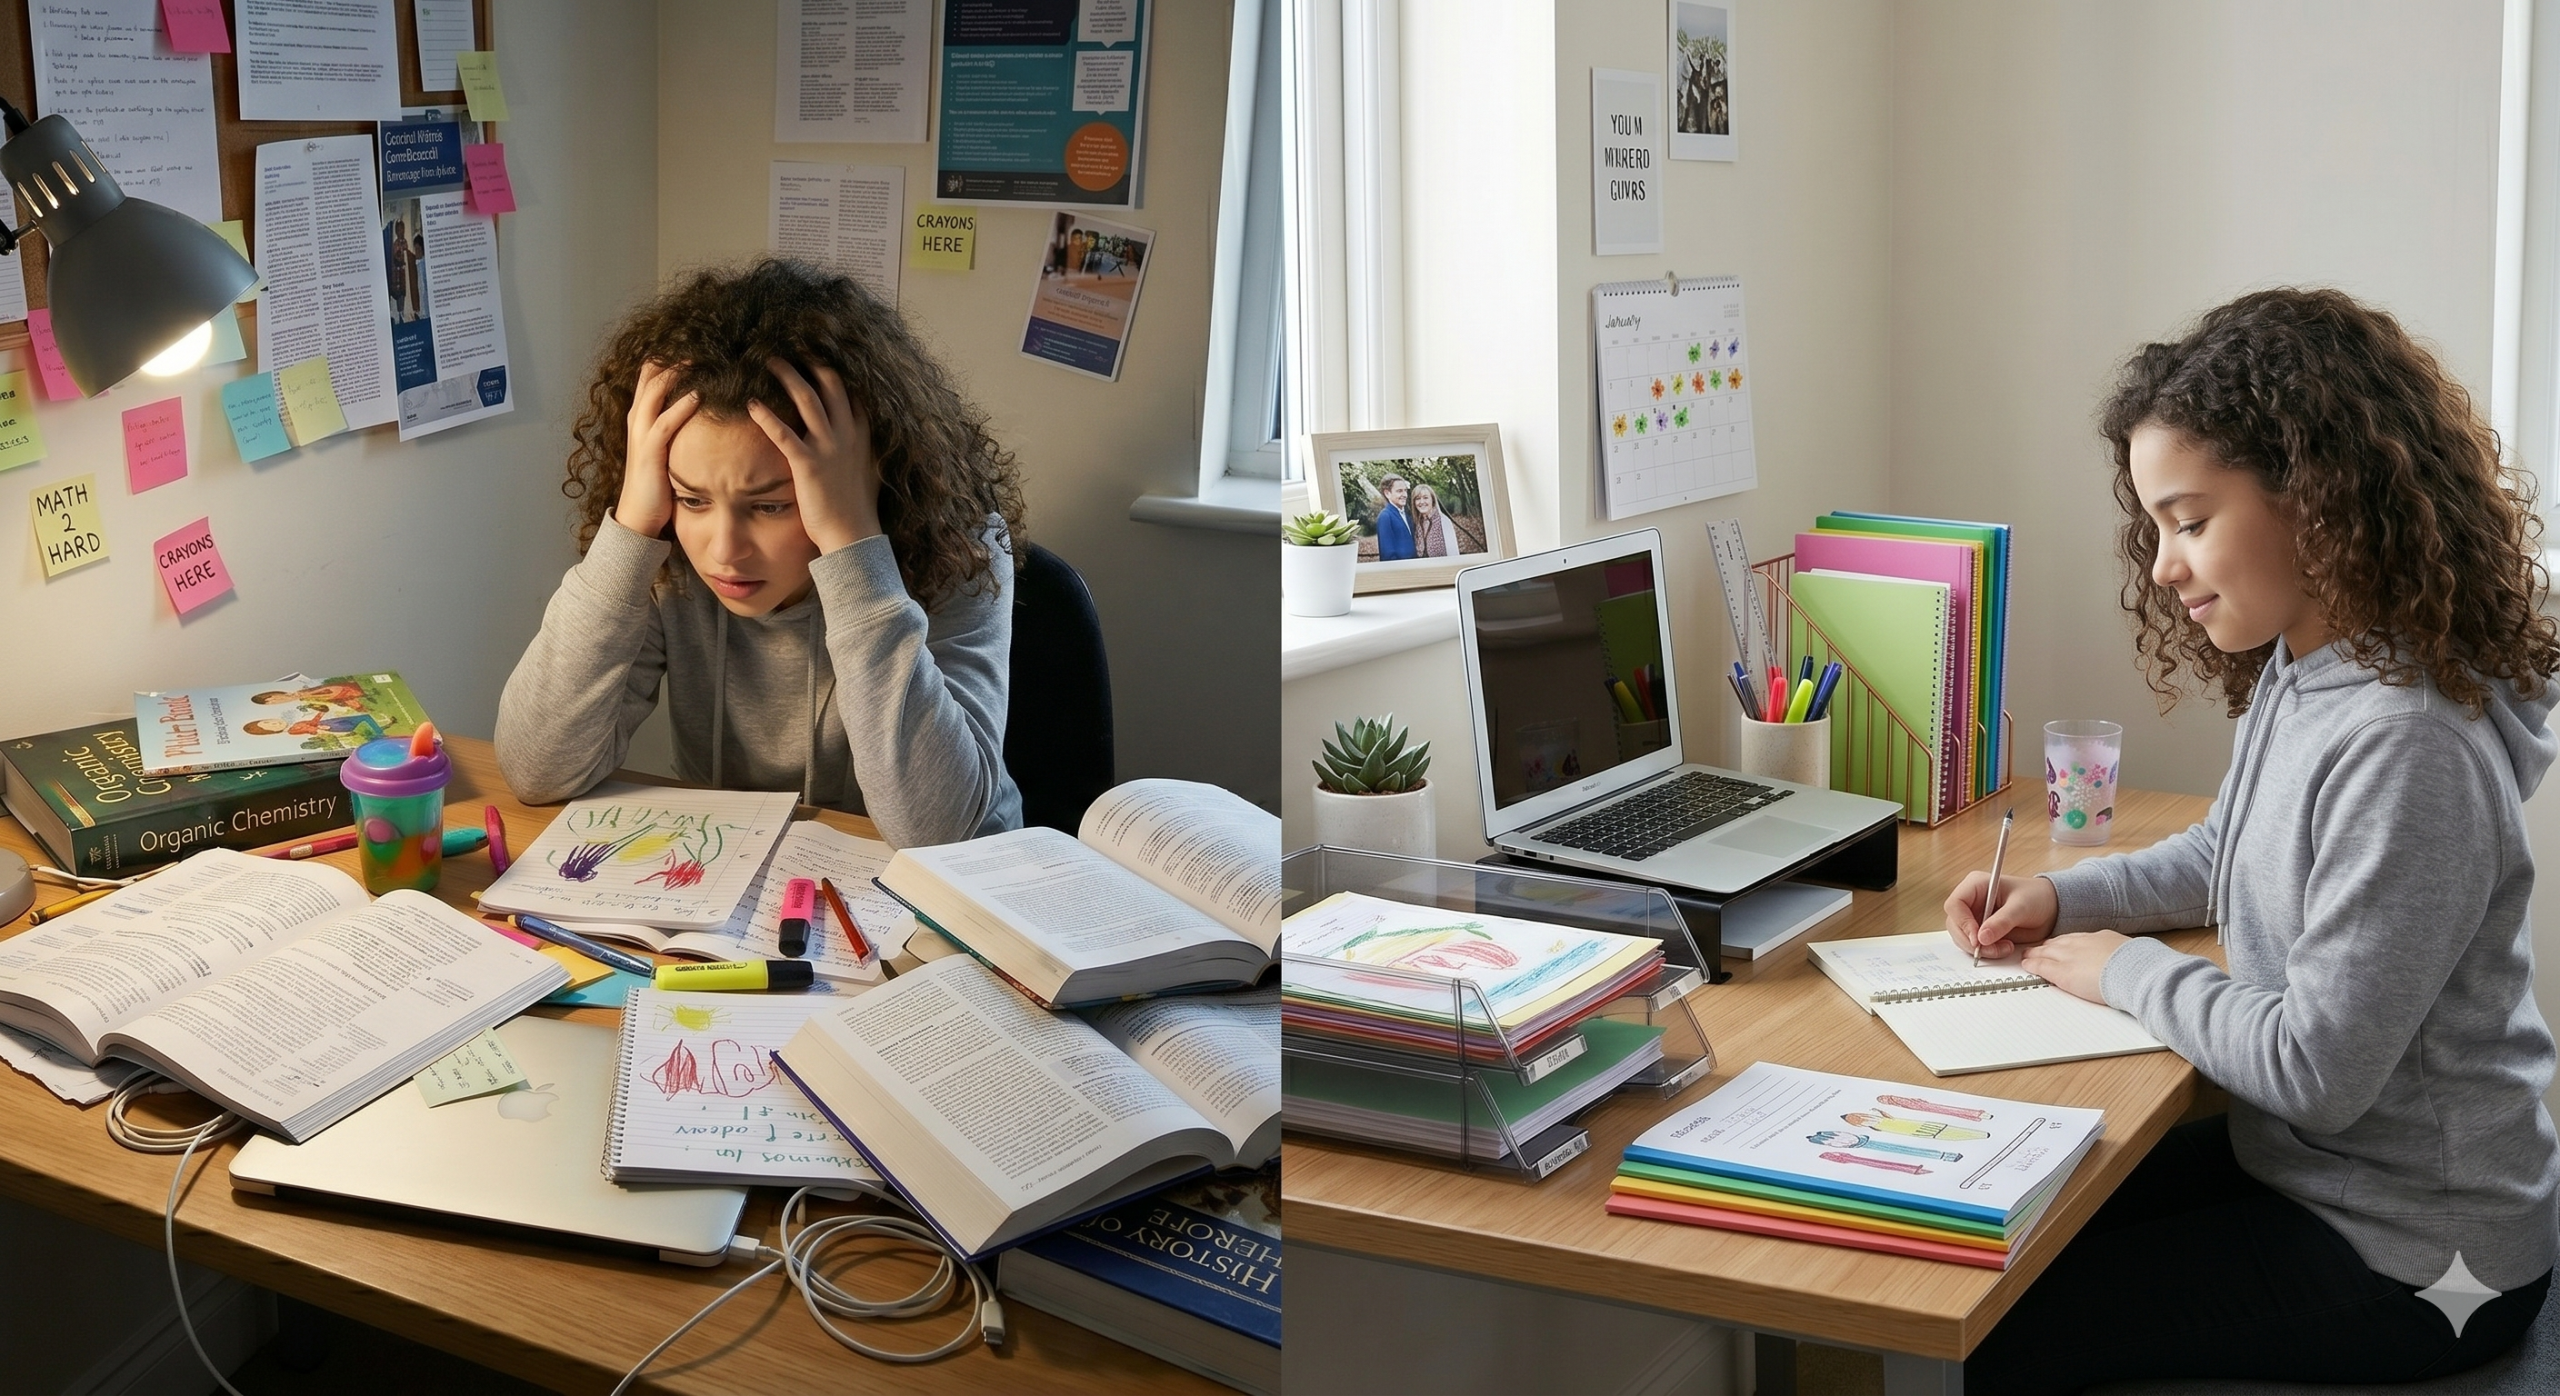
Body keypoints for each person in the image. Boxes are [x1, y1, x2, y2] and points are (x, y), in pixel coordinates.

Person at [1950, 288, 2557, 1392]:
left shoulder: (2406, 745)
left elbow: (2315, 1070)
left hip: (2428, 1263)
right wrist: (2063, 899)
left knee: (1993, 1337)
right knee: (1988, 1234)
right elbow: (2224, 852)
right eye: (2156, 529)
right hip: (2310, 1176)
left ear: (2317, 498)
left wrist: (2125, 971)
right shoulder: (2312, 667)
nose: (2163, 566)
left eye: (2189, 522)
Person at [495, 258, 1026, 847]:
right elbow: (536, 771)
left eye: (770, 506)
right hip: (738, 869)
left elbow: (937, 835)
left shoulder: (961, 551)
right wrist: (631, 531)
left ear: (865, 475)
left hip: (955, 888)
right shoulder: (668, 554)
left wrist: (853, 548)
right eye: (692, 498)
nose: (723, 552)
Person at [1410, 482, 1461, 558]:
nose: (1422, 502)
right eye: (1418, 499)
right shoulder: (1417, 523)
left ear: (1433, 500)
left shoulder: (1443, 521)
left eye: (1425, 498)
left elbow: (1454, 553)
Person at [1371, 475, 1416, 561]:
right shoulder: (1385, 516)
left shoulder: (1407, 515)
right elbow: (1387, 554)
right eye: (1399, 491)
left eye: (1405, 491)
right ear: (1387, 493)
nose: (1404, 495)